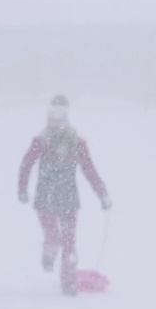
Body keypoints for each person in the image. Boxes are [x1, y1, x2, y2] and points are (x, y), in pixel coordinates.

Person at [17, 94, 111, 295]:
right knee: (53, 235)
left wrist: (102, 194)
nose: (57, 124)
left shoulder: (76, 142)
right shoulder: (41, 141)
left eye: (61, 119)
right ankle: (49, 252)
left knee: (69, 241)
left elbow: (89, 169)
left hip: (68, 198)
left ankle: (68, 283)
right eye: (54, 120)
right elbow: (26, 164)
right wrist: (22, 189)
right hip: (45, 198)